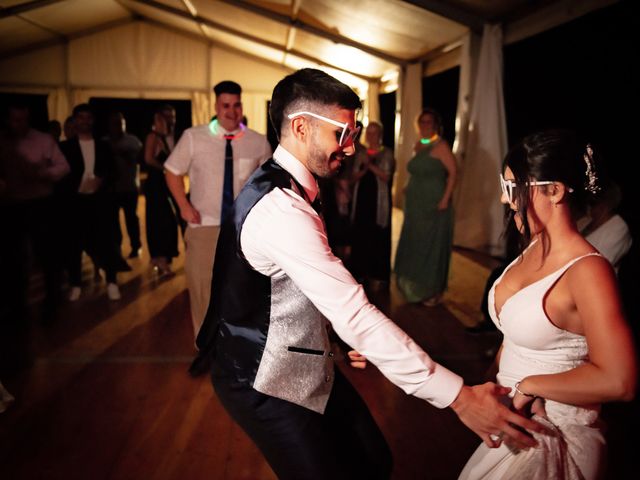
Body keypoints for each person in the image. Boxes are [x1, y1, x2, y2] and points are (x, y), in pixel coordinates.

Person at [194, 68, 542, 480]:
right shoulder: (280, 208)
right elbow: (354, 312)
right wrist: (460, 397)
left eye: (354, 132)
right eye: (342, 133)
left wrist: (336, 338)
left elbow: (293, 284)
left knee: (373, 460)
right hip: (262, 380)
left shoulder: (293, 185)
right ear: (301, 127)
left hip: (308, 361)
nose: (352, 145)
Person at [459, 131, 637, 480]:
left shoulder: (588, 271)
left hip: (551, 434)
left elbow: (620, 380)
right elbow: (516, 333)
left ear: (554, 190)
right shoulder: (533, 247)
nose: (504, 198)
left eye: (512, 188)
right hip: (511, 422)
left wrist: (529, 385)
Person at [165, 81, 270, 343]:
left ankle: (235, 348)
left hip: (242, 231)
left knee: (241, 291)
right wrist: (184, 206)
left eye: (236, 105)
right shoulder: (193, 137)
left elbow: (268, 183)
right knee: (202, 289)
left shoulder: (257, 142)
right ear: (216, 106)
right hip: (204, 228)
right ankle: (205, 348)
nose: (231, 111)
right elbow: (172, 171)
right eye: (226, 106)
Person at [394, 108, 457, 306]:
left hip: (434, 202)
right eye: (422, 122)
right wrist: (407, 187)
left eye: (428, 122)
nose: (425, 126)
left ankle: (431, 290)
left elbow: (453, 173)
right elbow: (417, 171)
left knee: (431, 244)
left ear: (435, 124)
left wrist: (445, 199)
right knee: (415, 241)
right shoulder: (420, 144)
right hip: (415, 202)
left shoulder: (441, 145)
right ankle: (414, 284)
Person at [59, 104, 122, 301]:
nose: (84, 121)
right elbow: (60, 177)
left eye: (88, 117)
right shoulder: (65, 147)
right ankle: (75, 284)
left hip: (100, 201)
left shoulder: (103, 145)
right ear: (74, 120)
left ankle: (112, 282)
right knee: (74, 244)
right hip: (75, 202)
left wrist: (100, 181)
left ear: (92, 121)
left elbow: (113, 172)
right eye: (80, 117)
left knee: (107, 242)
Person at [349, 121, 395, 289]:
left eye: (374, 133)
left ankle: (378, 274)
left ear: (380, 135)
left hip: (378, 201)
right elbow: (353, 178)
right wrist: (362, 170)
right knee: (361, 234)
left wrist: (370, 165)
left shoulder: (387, 153)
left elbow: (386, 177)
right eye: (369, 132)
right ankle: (361, 272)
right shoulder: (360, 153)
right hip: (361, 200)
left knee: (378, 235)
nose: (371, 135)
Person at [143, 105, 180, 277]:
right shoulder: (154, 136)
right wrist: (166, 169)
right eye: (166, 116)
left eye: (172, 116)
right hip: (156, 184)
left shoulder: (173, 136)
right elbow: (148, 159)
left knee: (168, 222)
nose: (170, 119)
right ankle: (160, 259)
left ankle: (161, 258)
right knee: (160, 221)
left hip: (167, 184)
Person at [103, 112, 143, 259]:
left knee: (131, 219)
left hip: (129, 187)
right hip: (111, 189)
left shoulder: (133, 141)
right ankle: (116, 248)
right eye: (115, 123)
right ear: (109, 125)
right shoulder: (104, 142)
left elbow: (140, 160)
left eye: (121, 123)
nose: (118, 126)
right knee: (113, 221)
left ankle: (136, 246)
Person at [578, 180, 632, 273]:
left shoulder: (618, 227)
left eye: (593, 203)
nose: (589, 208)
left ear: (605, 205)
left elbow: (599, 265)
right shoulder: (585, 221)